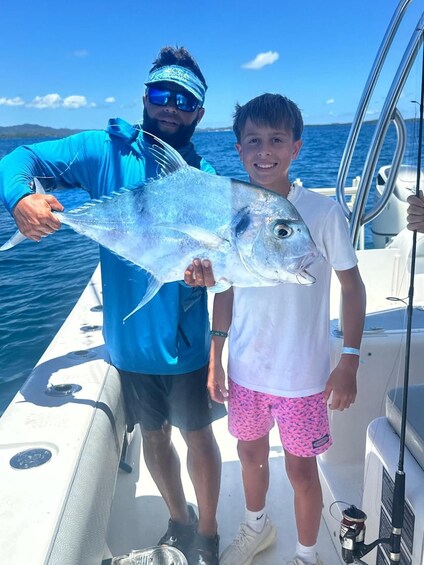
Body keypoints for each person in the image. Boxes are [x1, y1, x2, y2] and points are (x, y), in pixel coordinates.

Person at [0, 46, 225, 565]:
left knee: (198, 438)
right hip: (127, 344)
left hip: (186, 346)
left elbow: (222, 269)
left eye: (184, 100)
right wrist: (20, 198)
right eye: (162, 94)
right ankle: (179, 521)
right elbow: (19, 159)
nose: (170, 107)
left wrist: (210, 284)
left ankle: (209, 534)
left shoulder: (206, 178)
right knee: (154, 437)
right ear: (145, 96)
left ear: (198, 112)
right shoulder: (103, 152)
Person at [187, 93, 366, 565]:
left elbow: (352, 287)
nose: (264, 151)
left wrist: (348, 360)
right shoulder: (231, 212)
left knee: (303, 472)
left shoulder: (324, 213)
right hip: (246, 371)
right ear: (239, 149)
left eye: (276, 140)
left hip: (302, 378)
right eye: (253, 141)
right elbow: (226, 290)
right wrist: (216, 357)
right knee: (250, 455)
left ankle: (307, 554)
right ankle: (256, 527)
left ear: (296, 148)